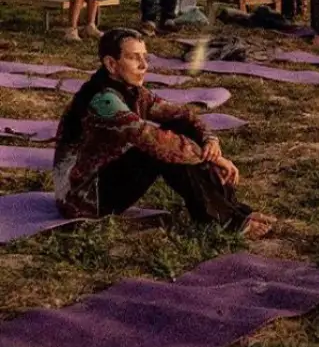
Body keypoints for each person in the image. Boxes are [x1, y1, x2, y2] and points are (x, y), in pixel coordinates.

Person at [53, 28, 274, 238]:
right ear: (111, 64)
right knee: (161, 150)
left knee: (178, 133)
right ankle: (225, 222)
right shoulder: (103, 100)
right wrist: (213, 159)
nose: (143, 65)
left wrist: (210, 140)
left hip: (104, 176)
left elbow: (181, 115)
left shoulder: (130, 90)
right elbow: (155, 141)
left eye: (145, 57)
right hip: (84, 198)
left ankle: (234, 211)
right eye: (134, 58)